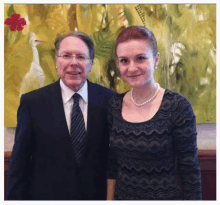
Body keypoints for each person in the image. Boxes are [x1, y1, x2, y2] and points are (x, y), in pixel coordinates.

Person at [6, 31, 115, 200]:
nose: (73, 63)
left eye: (81, 56)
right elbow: (20, 164)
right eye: (66, 55)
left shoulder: (110, 100)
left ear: (91, 63)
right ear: (57, 61)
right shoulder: (32, 103)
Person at [107, 26, 202, 200]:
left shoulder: (177, 107)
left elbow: (190, 173)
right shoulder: (114, 105)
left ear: (156, 59)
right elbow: (113, 164)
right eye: (124, 60)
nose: (132, 67)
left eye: (140, 58)